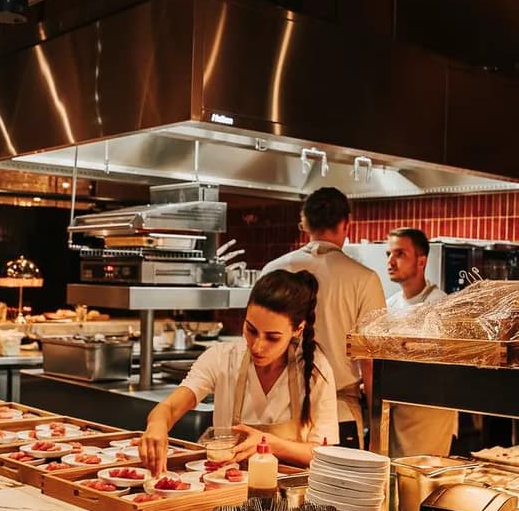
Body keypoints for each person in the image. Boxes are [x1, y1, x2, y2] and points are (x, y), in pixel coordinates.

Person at [140, 269, 339, 476]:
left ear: (298, 329)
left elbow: (324, 454)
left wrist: (269, 443)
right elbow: (171, 407)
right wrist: (157, 425)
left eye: (272, 337)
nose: (258, 346)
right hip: (224, 484)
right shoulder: (221, 357)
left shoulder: (315, 369)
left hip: (290, 490)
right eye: (251, 330)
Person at [261, 187, 385, 448]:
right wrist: (377, 428)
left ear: (304, 222)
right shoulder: (365, 279)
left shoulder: (272, 270)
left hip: (278, 416)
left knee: (282, 488)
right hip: (339, 417)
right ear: (346, 223)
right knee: (339, 489)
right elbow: (371, 362)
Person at [385, 228, 458, 457]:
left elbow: (445, 368)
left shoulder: (441, 305)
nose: (390, 261)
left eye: (400, 254)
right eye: (388, 254)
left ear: (421, 261)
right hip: (397, 412)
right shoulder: (390, 305)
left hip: (429, 416)